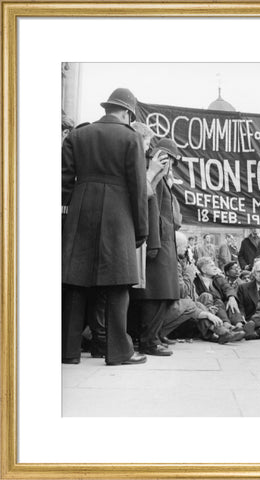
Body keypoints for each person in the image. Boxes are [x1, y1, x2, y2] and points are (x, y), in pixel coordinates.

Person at [62, 87, 148, 366]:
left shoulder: (77, 135)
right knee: (117, 285)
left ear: (108, 108)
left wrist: (67, 216)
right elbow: (137, 187)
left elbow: (63, 182)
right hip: (118, 215)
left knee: (75, 282)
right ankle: (119, 352)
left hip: (80, 211)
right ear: (127, 113)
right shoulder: (131, 137)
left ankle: (68, 351)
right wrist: (141, 228)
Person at [129, 137, 182, 357]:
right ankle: (149, 341)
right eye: (169, 159)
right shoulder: (156, 180)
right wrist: (154, 243)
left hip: (164, 243)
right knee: (155, 295)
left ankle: (153, 337)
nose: (171, 164)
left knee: (163, 294)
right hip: (158, 243)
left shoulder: (162, 180)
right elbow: (152, 213)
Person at [194, 256, 242, 325]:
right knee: (217, 301)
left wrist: (231, 297)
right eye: (212, 266)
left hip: (221, 305)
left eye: (215, 265)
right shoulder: (196, 281)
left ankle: (239, 325)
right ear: (204, 270)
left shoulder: (218, 278)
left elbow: (227, 287)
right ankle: (226, 325)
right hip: (207, 307)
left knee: (230, 302)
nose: (215, 268)